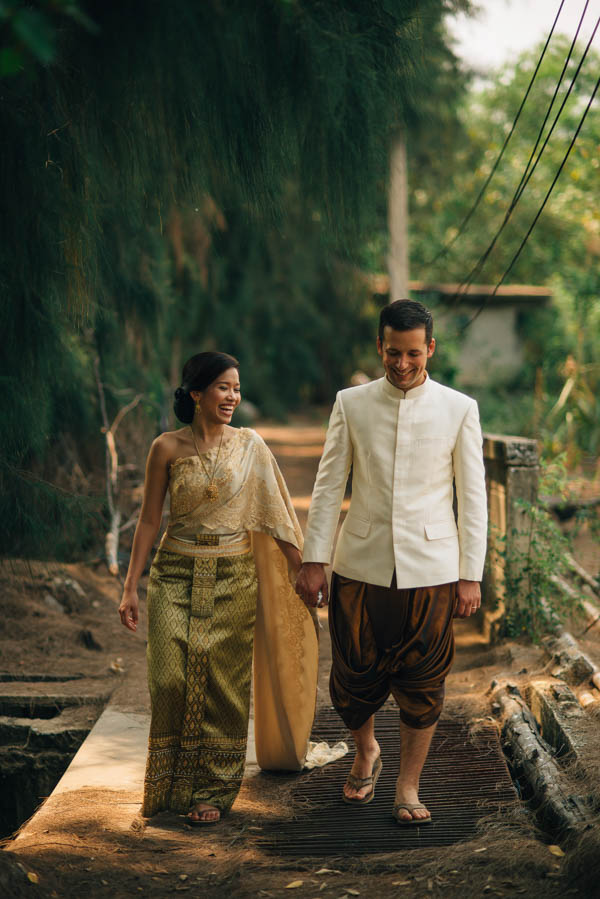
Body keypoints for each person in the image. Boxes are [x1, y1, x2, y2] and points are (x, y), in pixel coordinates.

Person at [295, 300, 487, 825]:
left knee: (424, 681)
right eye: (392, 352)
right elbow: (329, 484)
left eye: (412, 353)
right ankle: (366, 750)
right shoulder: (351, 404)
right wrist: (316, 558)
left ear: (430, 348)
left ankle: (408, 785)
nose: (402, 363)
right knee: (352, 677)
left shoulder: (458, 408)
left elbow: (472, 497)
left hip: (434, 568)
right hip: (359, 561)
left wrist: (471, 572)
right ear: (380, 346)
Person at [119, 352, 318, 825]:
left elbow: (277, 515)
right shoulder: (165, 448)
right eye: (224, 388)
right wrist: (130, 587)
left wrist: (305, 573)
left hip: (233, 574)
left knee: (223, 686)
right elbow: (149, 521)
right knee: (170, 680)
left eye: (236, 388)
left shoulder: (250, 446)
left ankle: (212, 790)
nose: (233, 397)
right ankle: (169, 785)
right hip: (174, 574)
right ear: (197, 394)